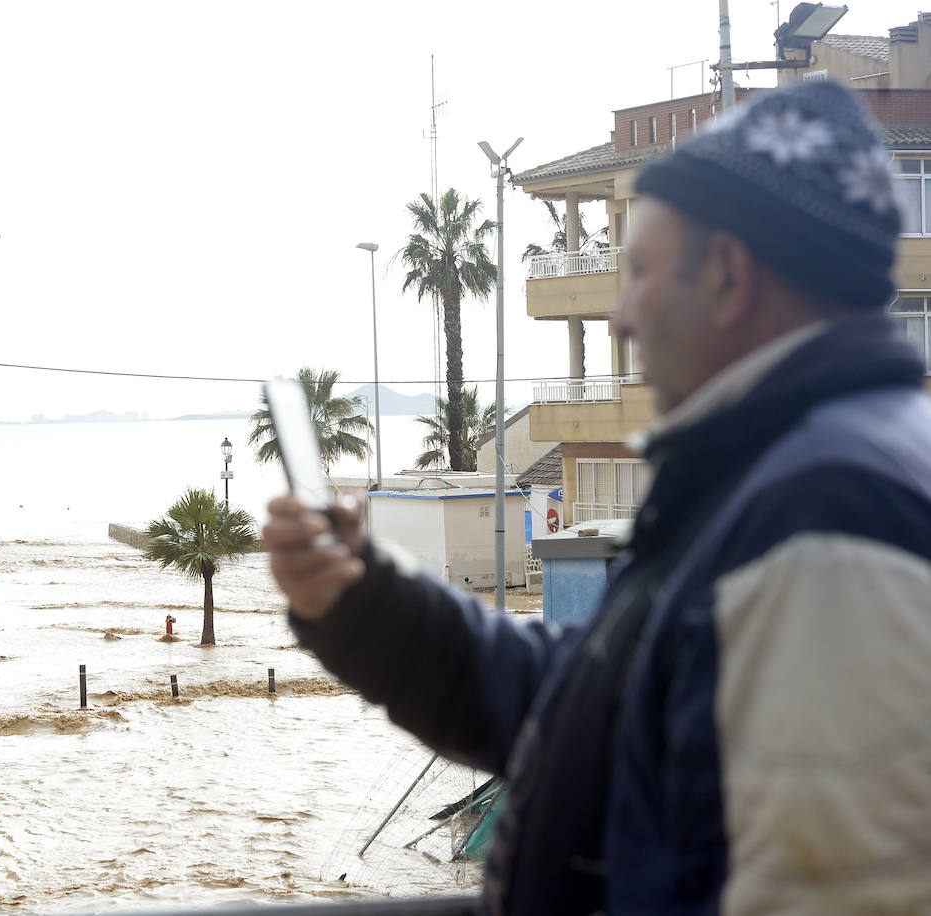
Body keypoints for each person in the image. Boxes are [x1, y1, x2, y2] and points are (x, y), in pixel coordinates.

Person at [264, 79, 931, 915]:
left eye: (638, 271)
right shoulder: (774, 476)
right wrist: (362, 602)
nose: (616, 316)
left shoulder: (829, 527)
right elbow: (584, 706)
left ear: (726, 275)